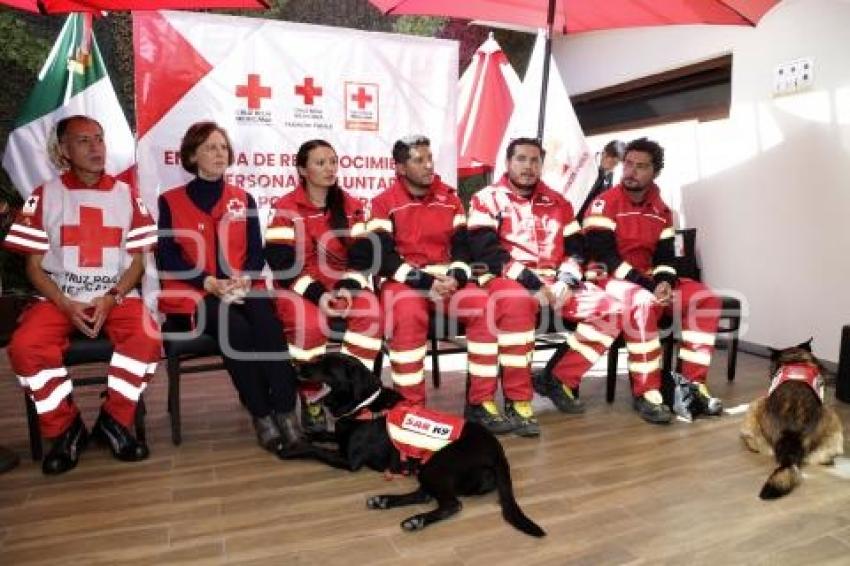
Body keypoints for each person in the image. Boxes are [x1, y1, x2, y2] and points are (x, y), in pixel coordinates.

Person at [468, 138, 666, 430]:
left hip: (557, 281)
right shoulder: (486, 198)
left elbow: (577, 249)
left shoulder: (559, 202)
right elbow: (486, 252)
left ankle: (558, 376)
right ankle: (517, 401)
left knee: (612, 310)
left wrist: (566, 279)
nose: (528, 166)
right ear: (508, 163)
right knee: (518, 305)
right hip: (508, 279)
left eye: (535, 160)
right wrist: (532, 282)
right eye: (521, 159)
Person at [4, 115, 161, 475]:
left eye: (100, 139)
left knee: (147, 338)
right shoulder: (43, 196)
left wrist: (112, 297)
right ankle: (65, 430)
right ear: (63, 150)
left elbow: (138, 262)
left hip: (116, 296)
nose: (96, 148)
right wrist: (65, 303)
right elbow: (33, 267)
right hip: (59, 298)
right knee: (25, 348)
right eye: (84, 141)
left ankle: (115, 421)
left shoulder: (128, 197)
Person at [157, 121, 302, 456]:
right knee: (236, 331)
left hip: (243, 286)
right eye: (210, 147)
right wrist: (207, 281)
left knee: (268, 327)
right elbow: (167, 254)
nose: (219, 153)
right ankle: (262, 416)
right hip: (199, 294)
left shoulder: (243, 198)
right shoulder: (170, 201)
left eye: (223, 147)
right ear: (192, 156)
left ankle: (286, 412)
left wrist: (247, 277)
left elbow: (255, 249)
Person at [362, 135, 502, 430]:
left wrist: (457, 276)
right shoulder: (382, 203)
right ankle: (410, 408)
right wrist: (425, 282)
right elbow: (383, 258)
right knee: (408, 314)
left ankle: (480, 401)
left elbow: (463, 246)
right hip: (403, 281)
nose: (428, 166)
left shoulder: (450, 199)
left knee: (484, 306)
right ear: (400, 168)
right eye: (418, 160)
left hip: (446, 280)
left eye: (430, 159)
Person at [583, 137, 723, 419]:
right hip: (608, 278)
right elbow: (607, 259)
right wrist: (651, 285)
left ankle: (691, 384)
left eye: (641, 167)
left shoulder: (662, 211)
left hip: (646, 280)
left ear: (655, 172)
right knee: (644, 302)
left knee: (705, 298)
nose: (631, 172)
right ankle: (647, 392)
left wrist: (666, 282)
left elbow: (666, 259)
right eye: (629, 164)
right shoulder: (604, 203)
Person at [265, 139, 383, 433]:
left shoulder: (352, 206)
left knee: (371, 315)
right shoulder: (284, 207)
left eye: (332, 161)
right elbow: (281, 261)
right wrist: (318, 295)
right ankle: (313, 399)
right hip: (298, 287)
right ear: (303, 170)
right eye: (320, 163)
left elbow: (363, 254)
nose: (329, 168)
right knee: (309, 325)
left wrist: (348, 287)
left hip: (344, 285)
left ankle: (355, 394)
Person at [576, 139, 625, 222]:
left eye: (616, 164)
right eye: (612, 163)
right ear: (605, 154)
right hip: (574, 214)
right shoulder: (587, 164)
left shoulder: (609, 172)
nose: (613, 167)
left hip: (590, 219)